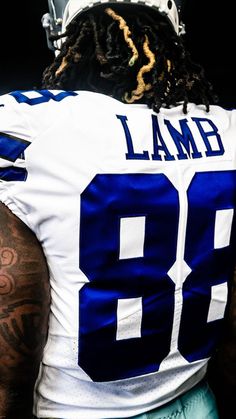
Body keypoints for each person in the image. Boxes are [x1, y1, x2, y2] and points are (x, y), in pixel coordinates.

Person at [0, 0, 235, 417]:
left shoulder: (33, 125)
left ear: (63, 33)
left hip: (77, 410)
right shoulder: (228, 127)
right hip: (197, 400)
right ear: (173, 31)